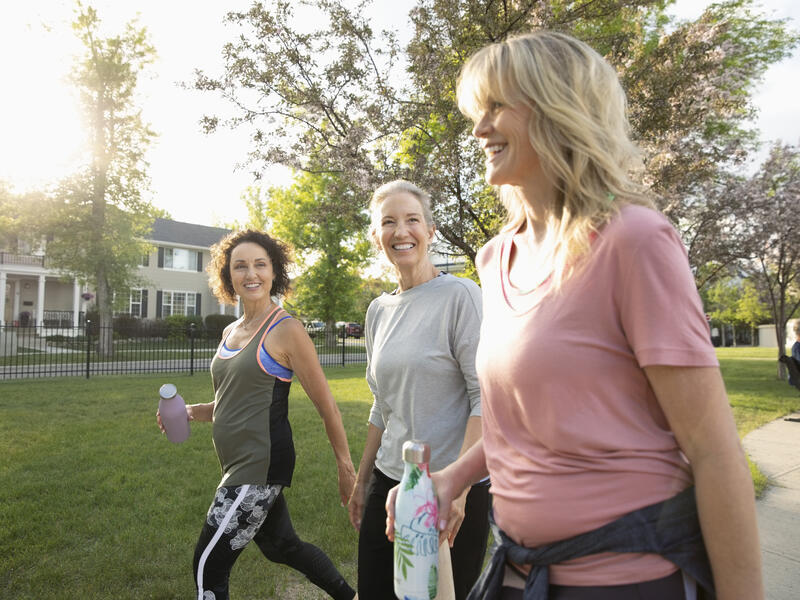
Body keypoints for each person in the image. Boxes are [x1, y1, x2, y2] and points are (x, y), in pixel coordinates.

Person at [385, 32, 763, 600]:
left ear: (558, 108)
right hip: (519, 572)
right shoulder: (495, 256)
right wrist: (452, 480)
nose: (479, 128)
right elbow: (530, 420)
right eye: (475, 112)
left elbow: (715, 452)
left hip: (626, 580)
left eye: (495, 107)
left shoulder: (634, 241)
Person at [157, 229, 357, 600]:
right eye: (240, 266)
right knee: (283, 547)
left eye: (260, 265)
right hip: (239, 465)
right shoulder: (231, 330)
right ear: (228, 276)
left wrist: (346, 469)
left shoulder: (286, 330)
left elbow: (326, 405)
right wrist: (189, 412)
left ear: (274, 271)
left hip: (259, 465)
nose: (251, 274)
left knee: (208, 566)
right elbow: (232, 402)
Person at [348, 180, 490, 599]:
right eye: (388, 222)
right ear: (377, 238)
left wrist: (460, 490)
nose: (401, 231)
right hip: (389, 484)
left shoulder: (462, 296)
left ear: (430, 231)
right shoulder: (378, 311)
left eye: (412, 219)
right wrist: (362, 483)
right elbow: (382, 404)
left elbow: (486, 397)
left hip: (449, 489)